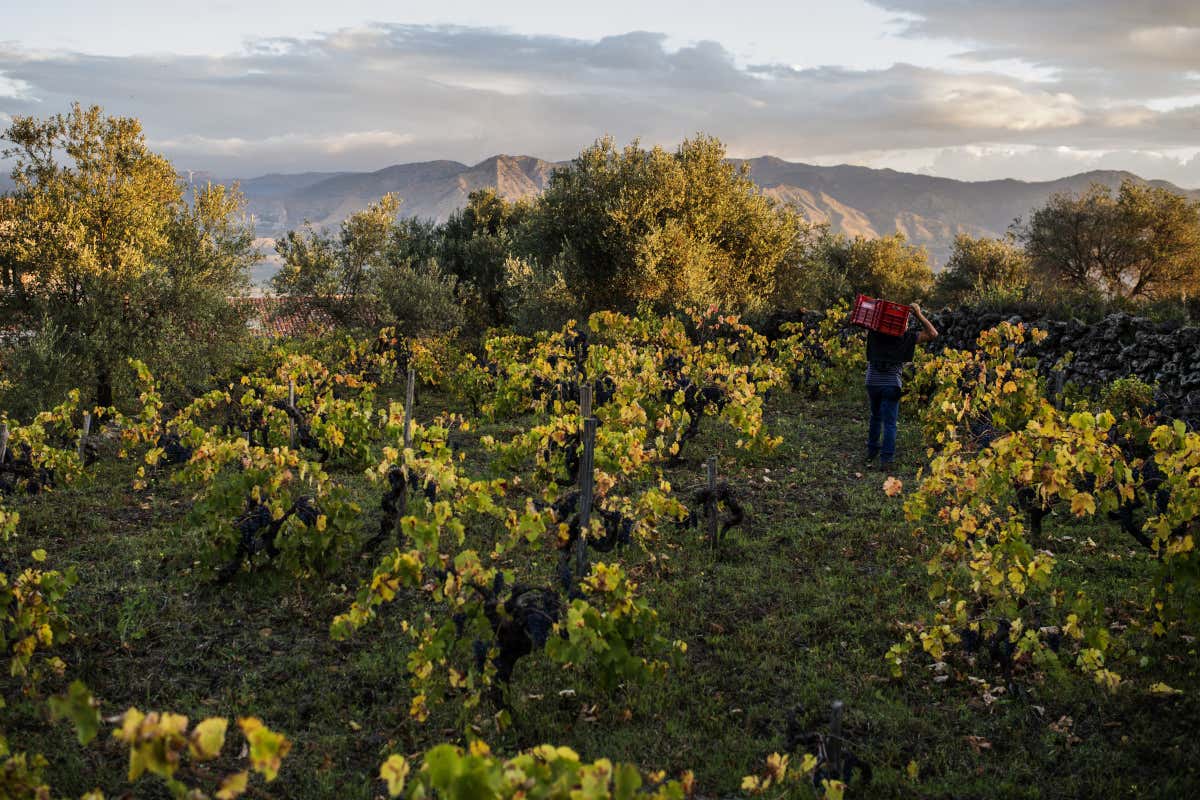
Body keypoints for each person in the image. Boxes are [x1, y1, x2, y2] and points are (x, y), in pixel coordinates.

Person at [864, 302, 938, 468]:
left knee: (875, 417)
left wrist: (878, 309)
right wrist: (918, 314)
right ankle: (886, 460)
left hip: (872, 382)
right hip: (891, 384)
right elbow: (933, 333)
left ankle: (871, 452)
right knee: (890, 423)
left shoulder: (874, 332)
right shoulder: (907, 337)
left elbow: (860, 318)